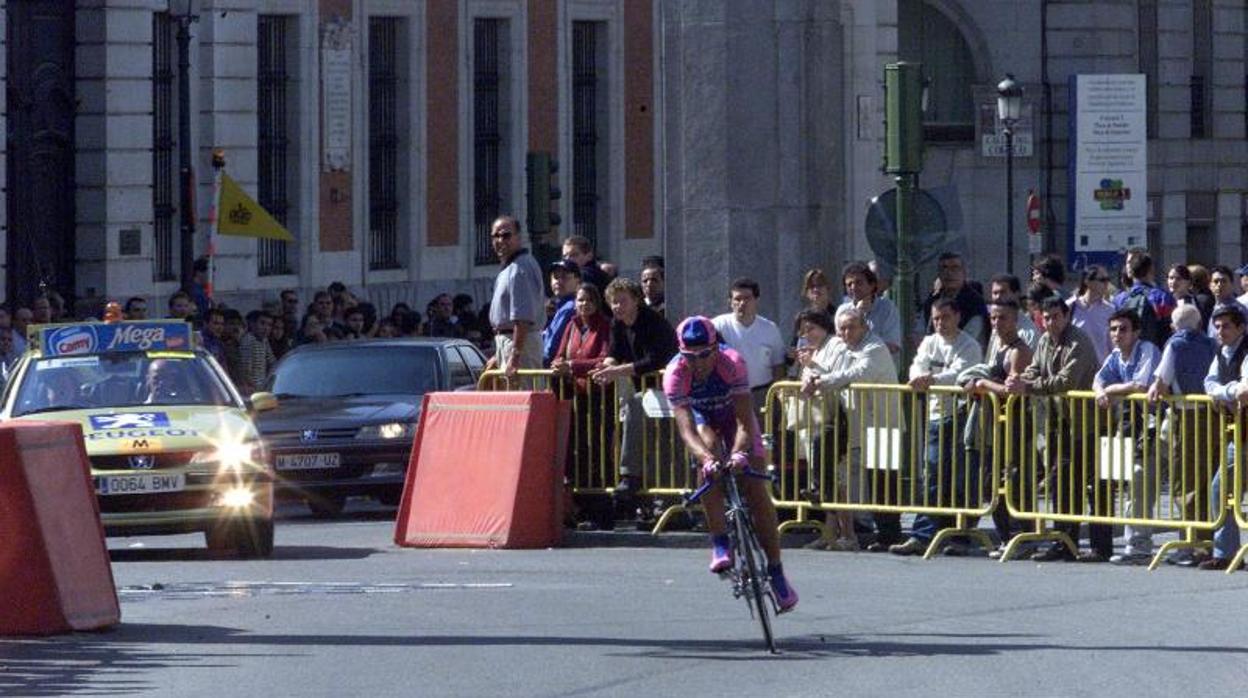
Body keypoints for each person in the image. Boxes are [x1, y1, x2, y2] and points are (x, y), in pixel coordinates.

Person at [662, 316, 798, 613]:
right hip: (703, 419)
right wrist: (707, 460)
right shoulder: (674, 373)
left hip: (733, 417)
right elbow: (686, 430)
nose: (697, 363)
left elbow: (744, 421)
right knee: (708, 456)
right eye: (689, 356)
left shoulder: (732, 362)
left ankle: (776, 571)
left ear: (716, 347)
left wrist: (738, 453)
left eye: (704, 355)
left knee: (756, 486)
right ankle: (721, 540)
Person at [1006, 297, 1107, 562]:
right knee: (1061, 483)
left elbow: (1066, 380)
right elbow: (1034, 369)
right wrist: (1019, 380)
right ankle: (1064, 540)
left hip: (1085, 423)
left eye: (1055, 317)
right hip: (1057, 422)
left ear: (1066, 316)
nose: (1050, 322)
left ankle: (1099, 545)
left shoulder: (1079, 341)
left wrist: (1028, 387)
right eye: (1046, 317)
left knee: (1093, 485)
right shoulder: (1043, 341)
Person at [797, 307, 900, 552]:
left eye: (851, 327)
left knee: (883, 479)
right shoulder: (843, 348)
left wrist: (821, 381)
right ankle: (828, 507)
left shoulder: (874, 347)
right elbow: (828, 370)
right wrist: (812, 373)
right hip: (853, 420)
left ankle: (889, 536)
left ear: (864, 327)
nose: (845, 333)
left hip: (882, 420)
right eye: (841, 328)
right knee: (838, 464)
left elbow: (858, 374)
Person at [890, 298, 984, 556]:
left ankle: (960, 535)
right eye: (936, 318)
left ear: (957, 316)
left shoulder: (969, 345)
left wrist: (931, 379)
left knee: (961, 478)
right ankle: (922, 534)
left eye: (945, 317)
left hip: (961, 414)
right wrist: (920, 378)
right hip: (934, 415)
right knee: (931, 474)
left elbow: (962, 374)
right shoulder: (930, 342)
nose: (940, 323)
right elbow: (915, 367)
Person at [590, 277, 678, 498]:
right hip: (646, 389)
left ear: (636, 300)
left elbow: (654, 360)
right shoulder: (617, 323)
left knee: (667, 444)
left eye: (622, 301)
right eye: (614, 302)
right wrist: (605, 366)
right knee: (640, 424)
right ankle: (637, 485)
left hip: (670, 387)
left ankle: (632, 477)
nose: (618, 307)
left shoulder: (653, 322)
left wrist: (616, 372)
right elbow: (614, 352)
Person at [1146, 304, 1216, 565]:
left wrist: (1155, 390)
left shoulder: (1175, 345)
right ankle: (1207, 540)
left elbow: (1161, 384)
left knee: (1184, 480)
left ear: (1174, 326)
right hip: (1211, 414)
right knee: (1206, 478)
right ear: (1199, 324)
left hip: (1184, 415)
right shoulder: (1210, 344)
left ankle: (1189, 543)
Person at [963, 300, 1034, 558]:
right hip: (993, 422)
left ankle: (1020, 535)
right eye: (993, 318)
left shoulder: (1019, 350)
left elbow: (1010, 389)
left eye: (1002, 318)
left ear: (1015, 320)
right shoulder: (996, 346)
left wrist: (982, 383)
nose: (996, 323)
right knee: (992, 478)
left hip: (1014, 422)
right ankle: (1005, 534)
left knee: (1011, 478)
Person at [1092, 310, 1161, 564]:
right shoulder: (1115, 356)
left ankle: (1141, 546)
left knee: (1142, 480)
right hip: (1128, 425)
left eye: (1123, 329)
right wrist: (1101, 388)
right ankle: (1131, 543)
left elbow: (1140, 385)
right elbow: (1097, 380)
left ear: (1136, 332)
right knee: (1125, 481)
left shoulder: (1147, 350)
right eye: (1113, 329)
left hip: (1156, 426)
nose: (1117, 334)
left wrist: (1109, 390)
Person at [551, 283, 614, 511]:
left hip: (597, 395)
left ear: (597, 303)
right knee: (574, 446)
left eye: (588, 300)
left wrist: (573, 366)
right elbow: (559, 353)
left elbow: (604, 358)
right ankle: (576, 501)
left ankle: (598, 502)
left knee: (596, 447)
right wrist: (559, 364)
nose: (583, 305)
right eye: (580, 300)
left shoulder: (605, 326)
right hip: (573, 395)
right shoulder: (572, 324)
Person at [1195, 306, 1248, 571]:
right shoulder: (1221, 352)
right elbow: (1209, 383)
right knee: (1221, 487)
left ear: (1240, 328)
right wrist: (1229, 391)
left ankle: (1226, 551)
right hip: (1239, 436)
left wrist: (1227, 392)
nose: (1220, 331)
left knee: (1223, 486)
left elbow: (1247, 389)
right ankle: (1225, 552)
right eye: (1217, 326)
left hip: (1244, 433)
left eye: (1226, 326)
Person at [712, 277, 787, 412]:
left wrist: (775, 396)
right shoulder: (717, 326)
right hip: (728, 395)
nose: (742, 303)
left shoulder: (770, 329)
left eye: (747, 298)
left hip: (762, 395)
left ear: (756, 300)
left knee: (763, 433)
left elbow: (778, 365)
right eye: (737, 299)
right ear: (730, 302)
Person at [486, 216, 545, 376]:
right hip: (509, 342)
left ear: (519, 237)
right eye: (495, 236)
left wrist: (515, 357)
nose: (500, 240)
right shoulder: (509, 267)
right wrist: (497, 355)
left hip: (521, 346)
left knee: (522, 397)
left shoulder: (520, 268)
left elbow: (523, 319)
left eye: (506, 235)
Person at [921, 252, 988, 349]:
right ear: (939, 273)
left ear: (964, 272)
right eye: (944, 268)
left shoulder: (974, 302)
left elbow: (968, 338)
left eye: (955, 268)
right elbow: (919, 333)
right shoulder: (932, 300)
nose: (949, 273)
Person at [837, 262, 901, 357]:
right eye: (849, 284)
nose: (853, 287)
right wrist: (857, 314)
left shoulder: (887, 308)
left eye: (858, 282)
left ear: (871, 285)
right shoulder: (843, 311)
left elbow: (893, 346)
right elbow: (841, 346)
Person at [1111, 252, 1175, 346]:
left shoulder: (1119, 299)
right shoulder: (1162, 297)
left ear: (1131, 272)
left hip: (1127, 352)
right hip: (1155, 352)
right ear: (1151, 270)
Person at [1068, 265, 1115, 363]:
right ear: (1088, 282)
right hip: (1075, 370)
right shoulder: (1070, 306)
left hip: (1101, 371)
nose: (1107, 283)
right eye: (1102, 280)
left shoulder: (1110, 310)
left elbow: (1113, 345)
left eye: (1108, 279)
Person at [542, 259, 581, 366]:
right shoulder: (557, 307)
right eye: (555, 277)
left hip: (557, 368)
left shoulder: (570, 307)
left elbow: (553, 343)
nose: (558, 281)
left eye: (564, 277)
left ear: (577, 280)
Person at [237, 310, 276, 395]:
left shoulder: (264, 341)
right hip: (252, 390)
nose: (266, 328)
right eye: (262, 323)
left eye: (269, 325)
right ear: (253, 324)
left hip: (262, 386)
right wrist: (258, 389)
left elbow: (272, 361)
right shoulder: (248, 341)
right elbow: (246, 372)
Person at [1205, 265, 1248, 337]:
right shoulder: (1213, 307)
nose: (1219, 285)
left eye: (1224, 281)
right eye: (1216, 281)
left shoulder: (1238, 310)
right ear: (1209, 285)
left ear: (1232, 284)